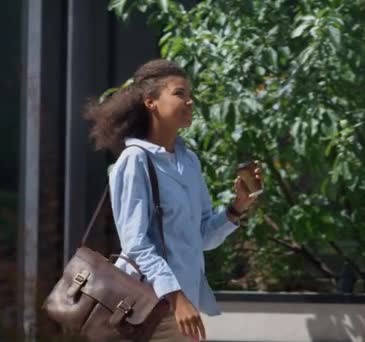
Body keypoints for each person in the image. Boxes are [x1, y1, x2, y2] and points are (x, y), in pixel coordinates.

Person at [84, 59, 262, 342]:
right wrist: (176, 297)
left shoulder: (189, 161)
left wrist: (236, 208)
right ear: (150, 101)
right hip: (146, 307)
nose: (190, 102)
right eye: (180, 94)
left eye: (191, 95)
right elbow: (135, 243)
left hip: (183, 306)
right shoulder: (135, 160)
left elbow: (200, 237)